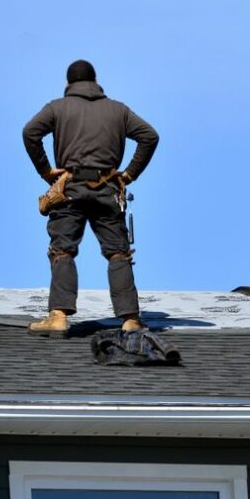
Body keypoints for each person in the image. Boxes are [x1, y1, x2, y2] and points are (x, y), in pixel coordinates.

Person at [23, 60, 159, 334]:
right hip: (108, 189)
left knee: (62, 249)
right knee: (118, 253)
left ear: (67, 85)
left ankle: (59, 316)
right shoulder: (118, 110)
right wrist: (129, 175)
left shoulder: (57, 108)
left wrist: (46, 171)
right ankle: (130, 319)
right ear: (96, 81)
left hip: (70, 189)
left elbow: (30, 132)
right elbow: (149, 136)